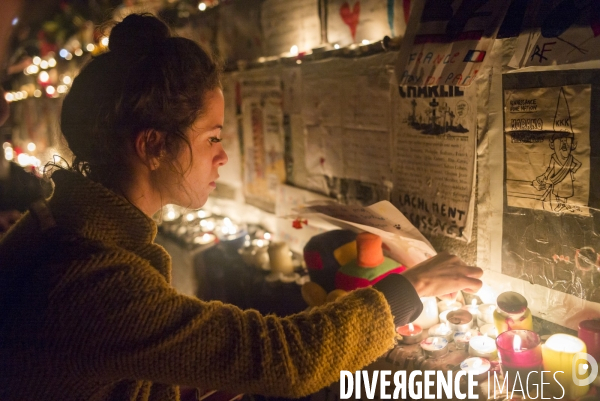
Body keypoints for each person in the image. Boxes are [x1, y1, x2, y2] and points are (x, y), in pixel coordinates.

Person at [0, 13, 483, 401]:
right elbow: (284, 359)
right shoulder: (92, 276)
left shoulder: (58, 223)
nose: (222, 156)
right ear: (153, 146)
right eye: (211, 137)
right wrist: (412, 286)